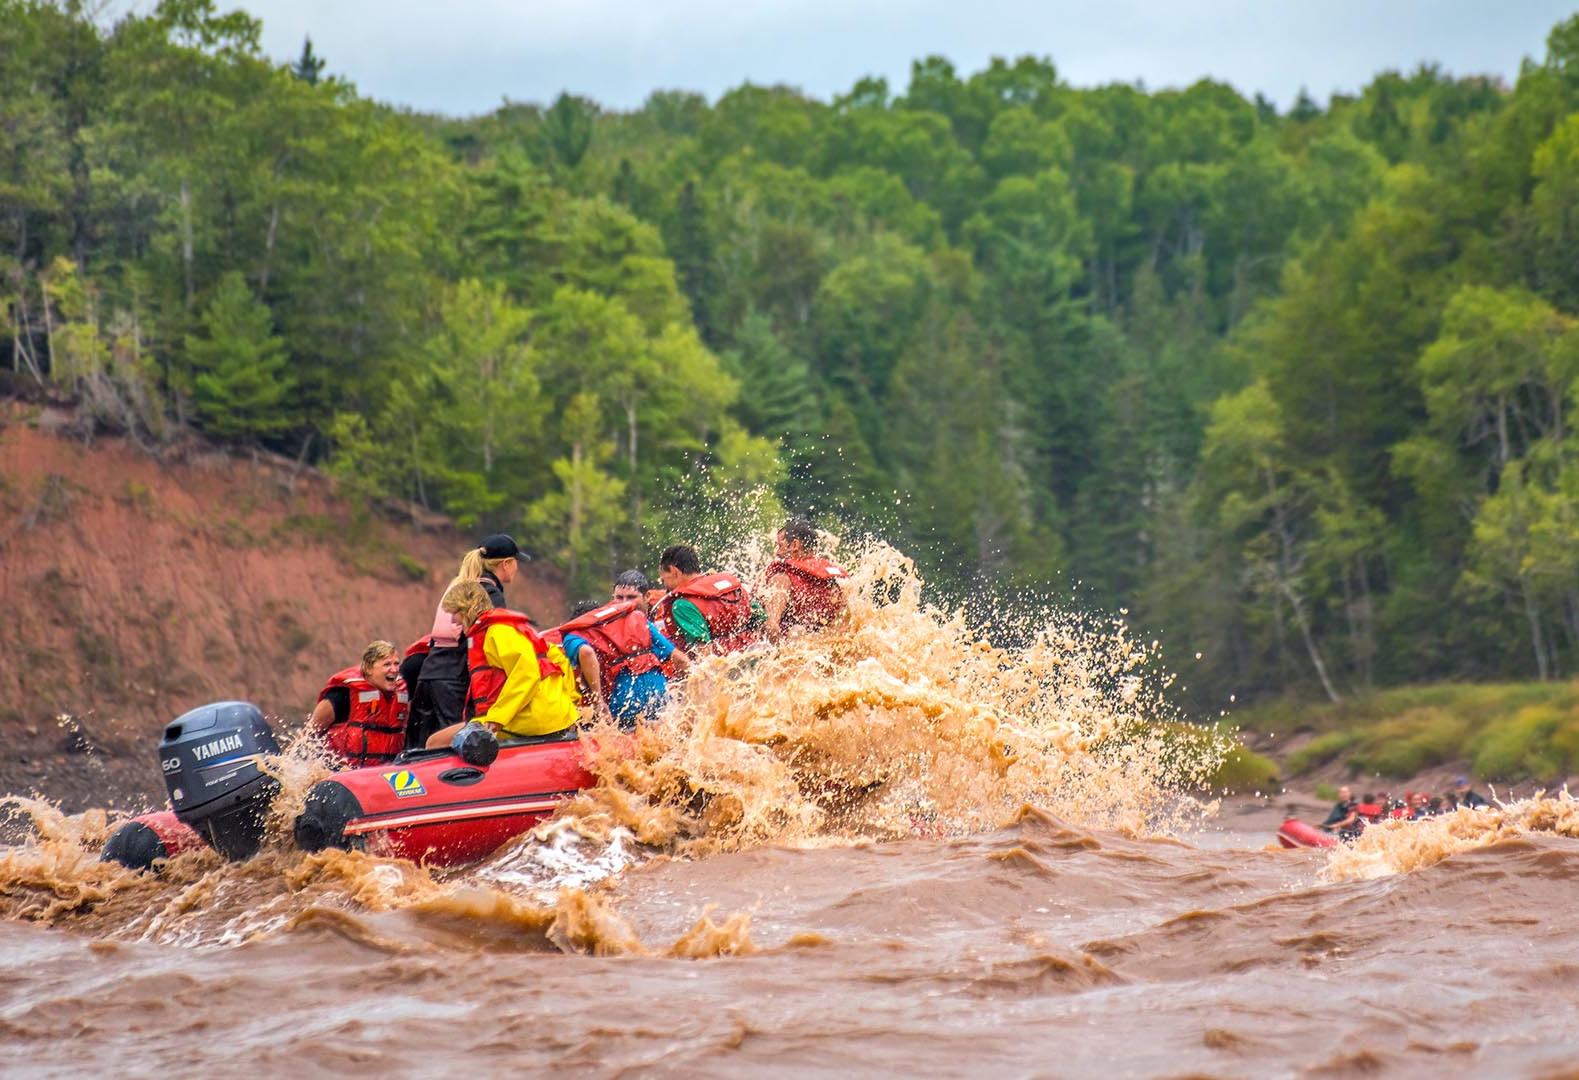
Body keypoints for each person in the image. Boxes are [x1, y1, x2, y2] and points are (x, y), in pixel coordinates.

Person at [425, 579, 579, 748]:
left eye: (455, 612)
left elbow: (527, 674)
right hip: (552, 715)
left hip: (531, 720)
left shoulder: (497, 633)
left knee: (435, 743)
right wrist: (570, 701)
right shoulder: (506, 629)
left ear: (467, 609)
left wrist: (497, 718)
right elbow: (558, 658)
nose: (453, 621)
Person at [407, 534, 529, 747]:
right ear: (506, 564)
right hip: (453, 681)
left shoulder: (462, 584)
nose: (517, 568)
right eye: (516, 562)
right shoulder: (488, 593)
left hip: (429, 674)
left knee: (417, 749)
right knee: (457, 745)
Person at [558, 575, 688, 728]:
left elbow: (586, 653)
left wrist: (598, 700)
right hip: (660, 698)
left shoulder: (574, 635)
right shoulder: (638, 618)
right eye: (619, 597)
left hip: (624, 705)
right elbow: (681, 660)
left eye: (630, 597)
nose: (624, 603)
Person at [308, 640, 409, 768]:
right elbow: (309, 734)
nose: (394, 670)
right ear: (368, 668)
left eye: (396, 664)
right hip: (343, 773)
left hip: (384, 776)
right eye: (387, 664)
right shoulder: (342, 694)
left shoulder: (402, 695)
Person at [653, 544, 763, 655]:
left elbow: (704, 654)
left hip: (728, 665)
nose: (665, 586)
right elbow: (762, 619)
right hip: (758, 653)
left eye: (663, 580)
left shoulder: (682, 605)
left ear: (674, 571)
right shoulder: (732, 588)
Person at [761, 517, 849, 641]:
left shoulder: (782, 579)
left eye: (780, 545)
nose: (777, 553)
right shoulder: (835, 583)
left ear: (795, 545)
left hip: (793, 650)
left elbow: (771, 627)